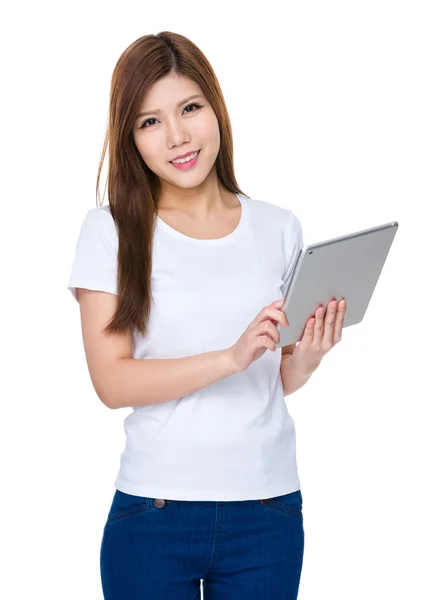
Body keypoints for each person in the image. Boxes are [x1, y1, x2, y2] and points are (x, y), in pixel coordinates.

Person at [67, 31, 345, 600]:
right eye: (149, 122)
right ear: (131, 139)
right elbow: (111, 381)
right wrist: (230, 355)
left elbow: (274, 380)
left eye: (189, 108)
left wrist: (308, 358)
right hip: (154, 512)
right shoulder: (112, 231)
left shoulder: (278, 226)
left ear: (216, 107)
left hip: (267, 511)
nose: (177, 137)